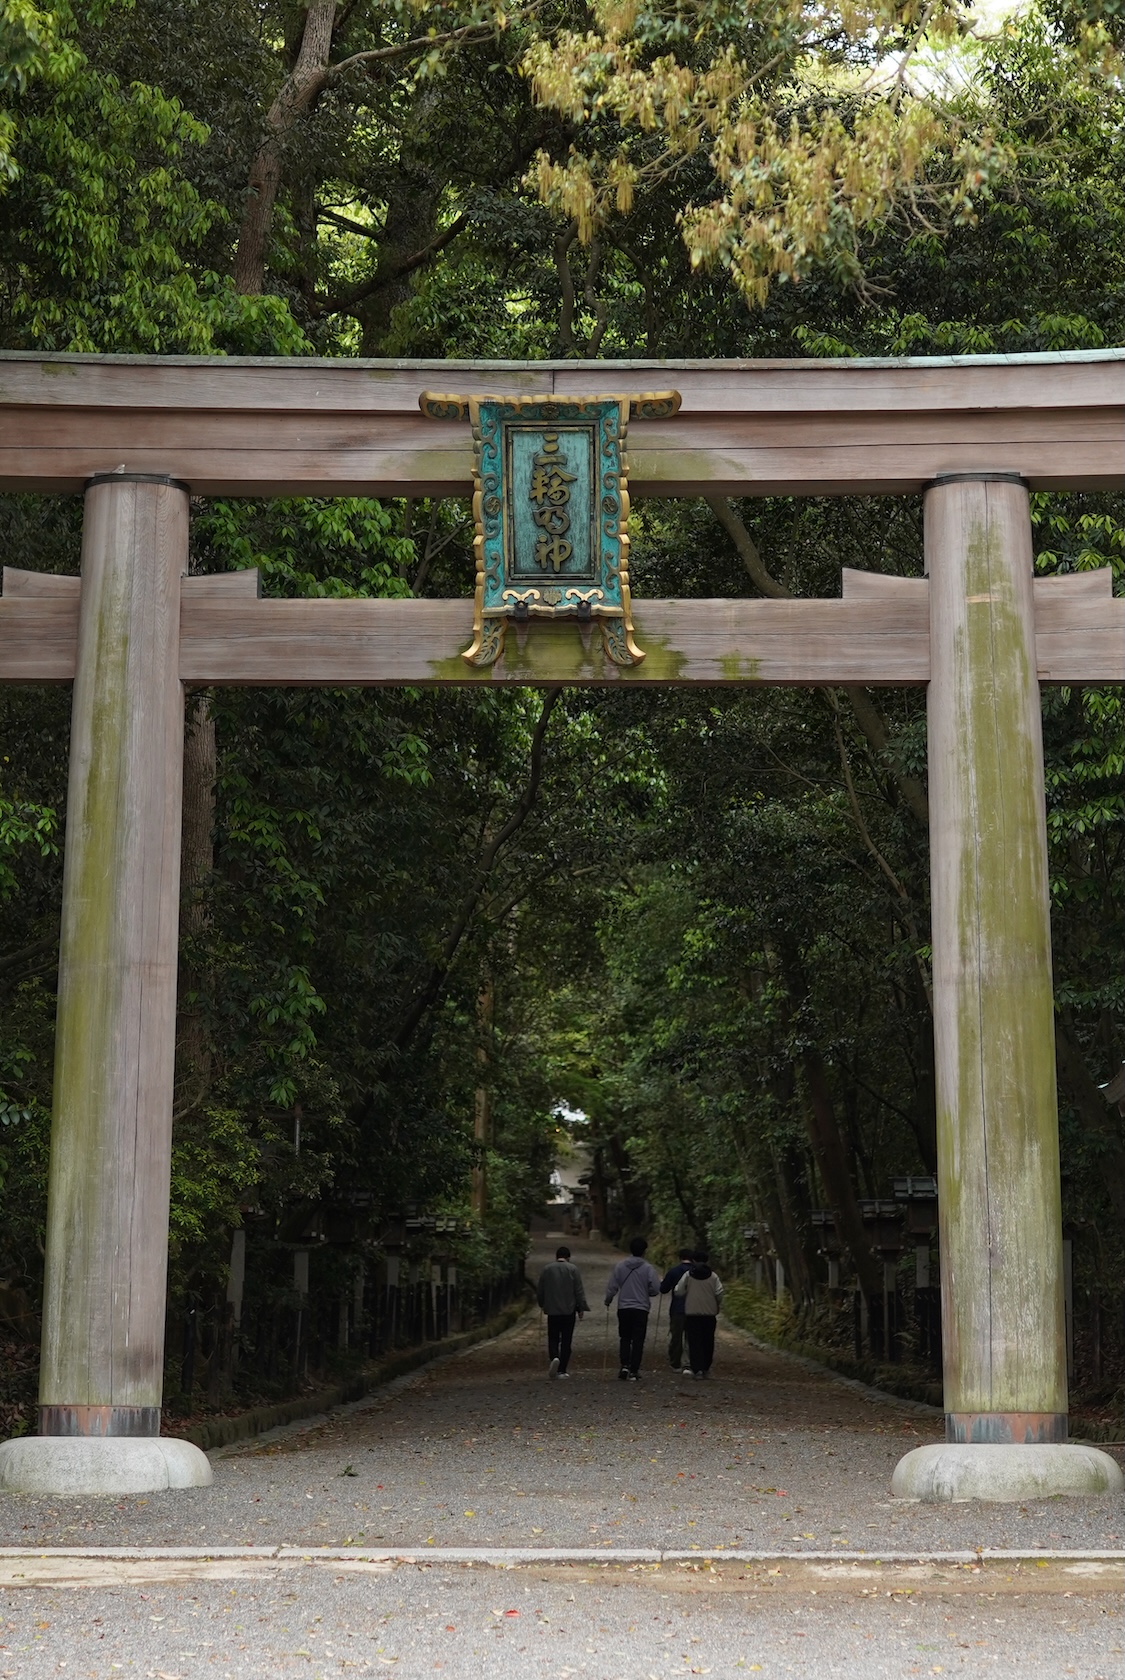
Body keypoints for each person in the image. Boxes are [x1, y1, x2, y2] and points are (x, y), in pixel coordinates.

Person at [604, 1236, 662, 1380]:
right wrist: (646, 1292)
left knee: (624, 1337)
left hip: (623, 1307)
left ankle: (624, 1366)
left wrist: (608, 1299)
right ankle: (634, 1370)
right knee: (638, 1339)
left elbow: (612, 1286)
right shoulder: (648, 1268)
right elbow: (655, 1288)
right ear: (644, 1251)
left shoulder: (621, 1266)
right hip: (641, 1307)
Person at [536, 1244, 589, 1378]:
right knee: (566, 1340)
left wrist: (542, 1303)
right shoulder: (573, 1269)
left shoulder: (547, 1269)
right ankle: (562, 1369)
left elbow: (540, 1290)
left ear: (557, 1256)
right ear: (568, 1257)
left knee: (553, 1337)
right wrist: (580, 1308)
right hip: (568, 1311)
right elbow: (578, 1291)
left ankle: (554, 1356)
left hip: (552, 1311)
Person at [674, 1251, 724, 1378]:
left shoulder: (688, 1275)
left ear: (694, 1261)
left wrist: (688, 1293)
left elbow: (678, 1291)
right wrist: (716, 1303)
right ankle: (706, 1367)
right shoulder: (713, 1276)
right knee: (708, 1341)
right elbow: (719, 1293)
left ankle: (697, 1370)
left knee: (694, 1341)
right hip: (709, 1314)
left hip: (692, 1313)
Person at [659, 1247, 695, 1371]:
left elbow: (663, 1289)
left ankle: (675, 1363)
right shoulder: (696, 1271)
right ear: (692, 1259)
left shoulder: (674, 1271)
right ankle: (689, 1363)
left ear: (680, 1258)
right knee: (690, 1337)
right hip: (694, 1308)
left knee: (676, 1336)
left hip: (677, 1308)